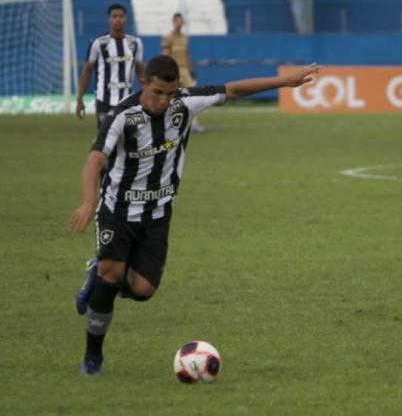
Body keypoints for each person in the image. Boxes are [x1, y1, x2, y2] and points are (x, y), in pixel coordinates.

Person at [69, 55, 319, 375]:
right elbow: (94, 160)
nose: (164, 100)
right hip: (116, 211)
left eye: (170, 93)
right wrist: (89, 203)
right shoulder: (122, 115)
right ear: (143, 82)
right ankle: (93, 358)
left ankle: (96, 278)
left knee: (144, 290)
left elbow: (234, 89)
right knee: (112, 273)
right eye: (157, 92)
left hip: (157, 214)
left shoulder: (185, 103)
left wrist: (283, 81)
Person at [76, 3, 145, 128]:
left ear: (125, 19)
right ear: (109, 19)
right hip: (104, 101)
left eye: (121, 16)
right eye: (114, 16)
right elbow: (87, 70)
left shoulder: (135, 43)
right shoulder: (98, 43)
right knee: (106, 141)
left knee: (131, 139)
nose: (118, 19)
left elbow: (140, 71)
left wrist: (146, 93)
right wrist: (80, 99)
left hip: (128, 100)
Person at [161, 12, 205, 133]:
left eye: (180, 21)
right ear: (173, 22)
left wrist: (191, 71)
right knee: (170, 97)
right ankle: (167, 124)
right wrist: (167, 70)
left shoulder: (183, 37)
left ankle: (194, 124)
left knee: (193, 96)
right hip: (173, 70)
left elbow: (186, 55)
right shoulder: (168, 37)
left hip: (184, 70)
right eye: (177, 21)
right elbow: (165, 55)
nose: (179, 23)